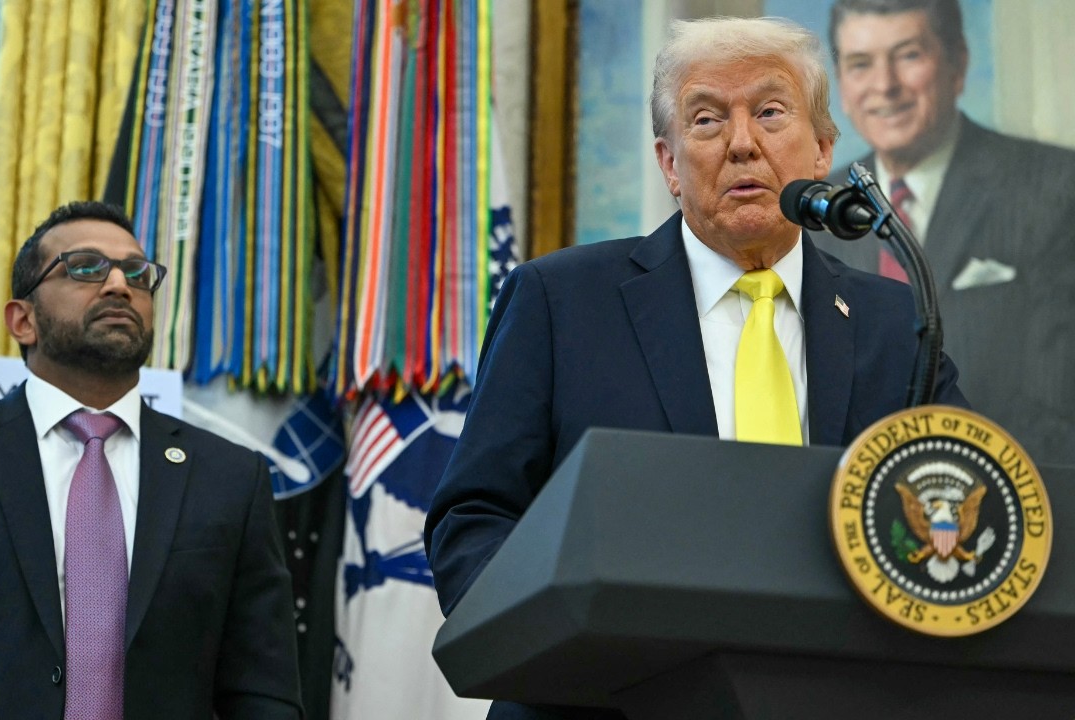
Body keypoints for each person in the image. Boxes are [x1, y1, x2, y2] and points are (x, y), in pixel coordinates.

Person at [423, 16, 967, 720]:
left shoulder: (896, 321)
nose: (741, 142)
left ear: (823, 150)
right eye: (706, 119)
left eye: (770, 112)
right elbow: (474, 519)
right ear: (670, 163)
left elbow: (958, 505)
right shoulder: (560, 301)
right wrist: (570, 654)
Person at [0, 201, 303, 719]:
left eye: (137, 273)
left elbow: (263, 691)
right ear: (22, 320)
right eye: (85, 267)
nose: (119, 285)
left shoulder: (231, 478)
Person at [816, 0, 1075, 466]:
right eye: (861, 64)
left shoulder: (1055, 188)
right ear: (842, 85)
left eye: (909, 55)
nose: (885, 85)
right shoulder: (818, 209)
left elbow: (1058, 404)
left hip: (1010, 487)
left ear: (958, 63)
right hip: (843, 493)